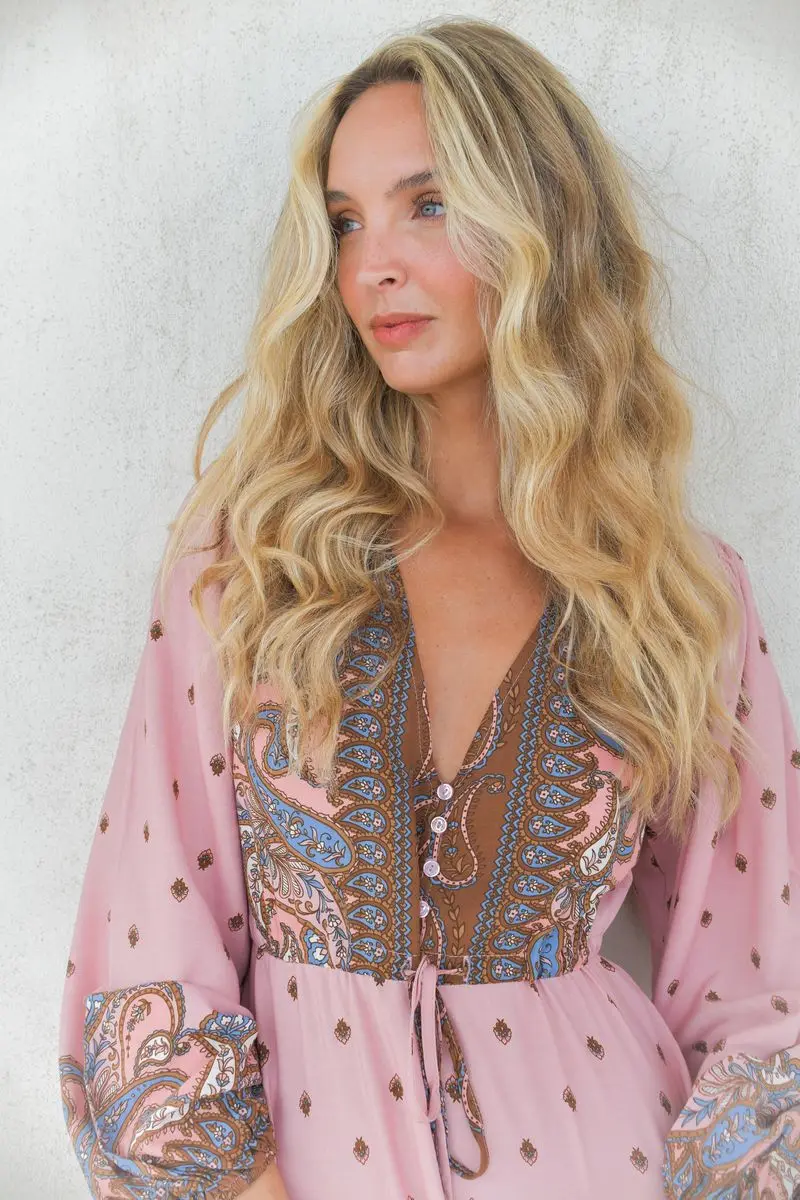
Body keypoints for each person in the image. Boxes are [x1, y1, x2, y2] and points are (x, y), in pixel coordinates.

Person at [58, 16, 800, 1200]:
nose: (371, 266)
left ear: (539, 223)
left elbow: (763, 996)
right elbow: (151, 950)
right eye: (345, 221)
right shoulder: (253, 564)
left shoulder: (675, 594)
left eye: (428, 205)